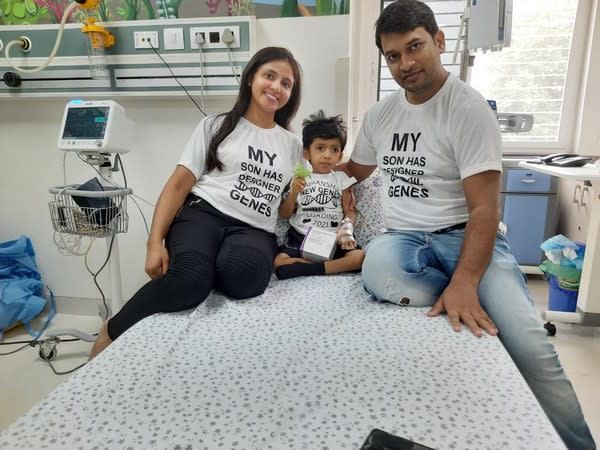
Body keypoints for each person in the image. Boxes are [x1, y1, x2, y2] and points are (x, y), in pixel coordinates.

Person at [342, 1, 596, 449]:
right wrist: (314, 175)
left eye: (415, 47)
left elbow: (484, 210)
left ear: (439, 42)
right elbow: (358, 168)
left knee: (532, 350)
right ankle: (467, 293)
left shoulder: (468, 109)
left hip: (464, 233)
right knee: (378, 271)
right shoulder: (381, 115)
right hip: (402, 239)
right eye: (393, 55)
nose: (406, 63)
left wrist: (466, 277)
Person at [89, 46, 303, 359]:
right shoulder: (215, 126)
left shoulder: (292, 144)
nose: (276, 87)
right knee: (189, 281)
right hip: (203, 215)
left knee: (246, 280)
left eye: (286, 83)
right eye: (269, 76)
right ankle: (112, 329)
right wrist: (154, 242)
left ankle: (211, 262)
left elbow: (291, 201)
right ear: (250, 78)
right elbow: (178, 185)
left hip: (254, 229)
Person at [274, 110, 364, 280]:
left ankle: (308, 269)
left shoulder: (341, 179)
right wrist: (294, 192)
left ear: (340, 155)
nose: (327, 155)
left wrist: (346, 229)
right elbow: (285, 214)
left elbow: (349, 211)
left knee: (359, 257)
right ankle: (328, 267)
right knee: (279, 261)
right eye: (320, 148)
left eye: (334, 149)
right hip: (301, 237)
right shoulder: (299, 178)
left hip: (334, 239)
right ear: (307, 153)